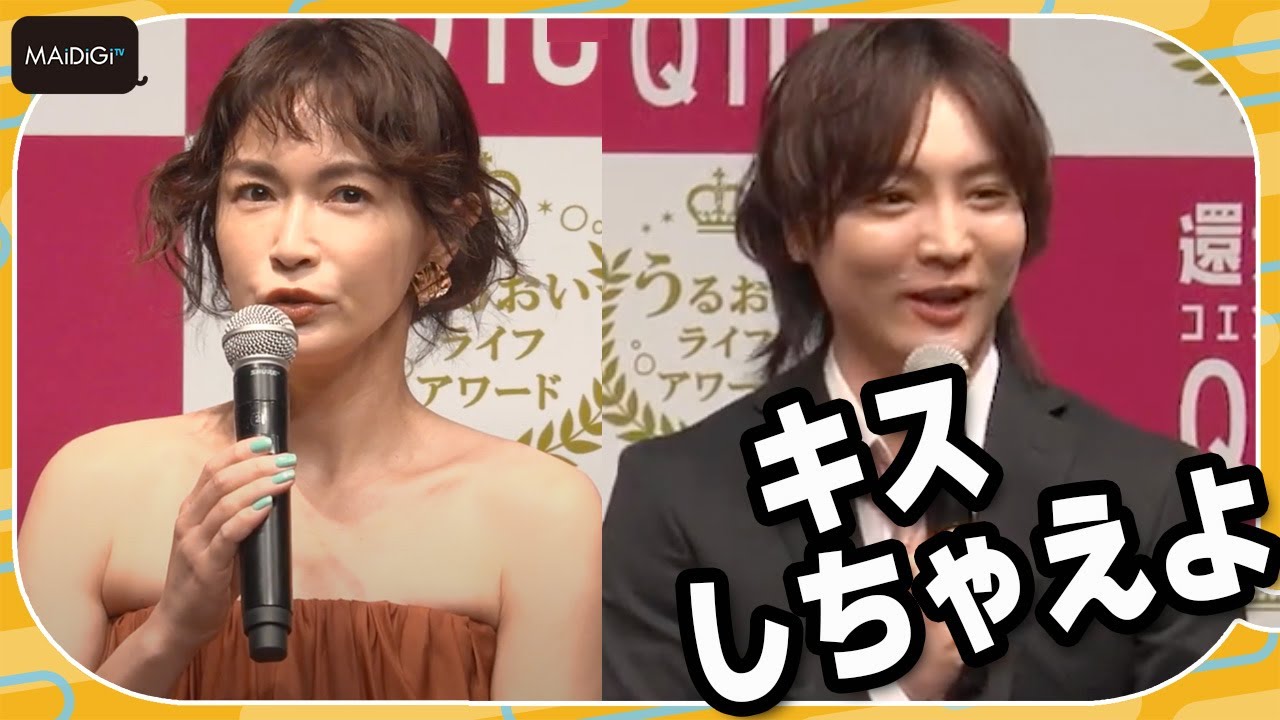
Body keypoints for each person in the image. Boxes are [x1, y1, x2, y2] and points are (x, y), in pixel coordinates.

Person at [602, 18, 1241, 703]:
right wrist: (896, 687)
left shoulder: (1160, 497)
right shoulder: (677, 500)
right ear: (797, 227)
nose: (948, 243)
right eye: (892, 198)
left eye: (986, 195)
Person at [18, 18, 601, 702]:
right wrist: (169, 633)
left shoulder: (540, 513)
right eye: (255, 192)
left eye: (348, 194)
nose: (290, 244)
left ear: (443, 232)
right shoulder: (92, 488)